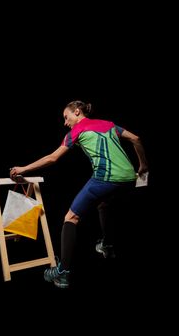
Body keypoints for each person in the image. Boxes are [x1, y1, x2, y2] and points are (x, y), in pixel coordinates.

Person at [10, 100, 148, 289]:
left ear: (77, 112)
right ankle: (107, 246)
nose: (65, 123)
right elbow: (136, 139)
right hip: (129, 178)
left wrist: (23, 168)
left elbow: (52, 158)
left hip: (105, 178)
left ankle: (62, 273)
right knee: (103, 204)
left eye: (66, 118)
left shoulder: (76, 130)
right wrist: (143, 165)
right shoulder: (109, 125)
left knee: (71, 218)